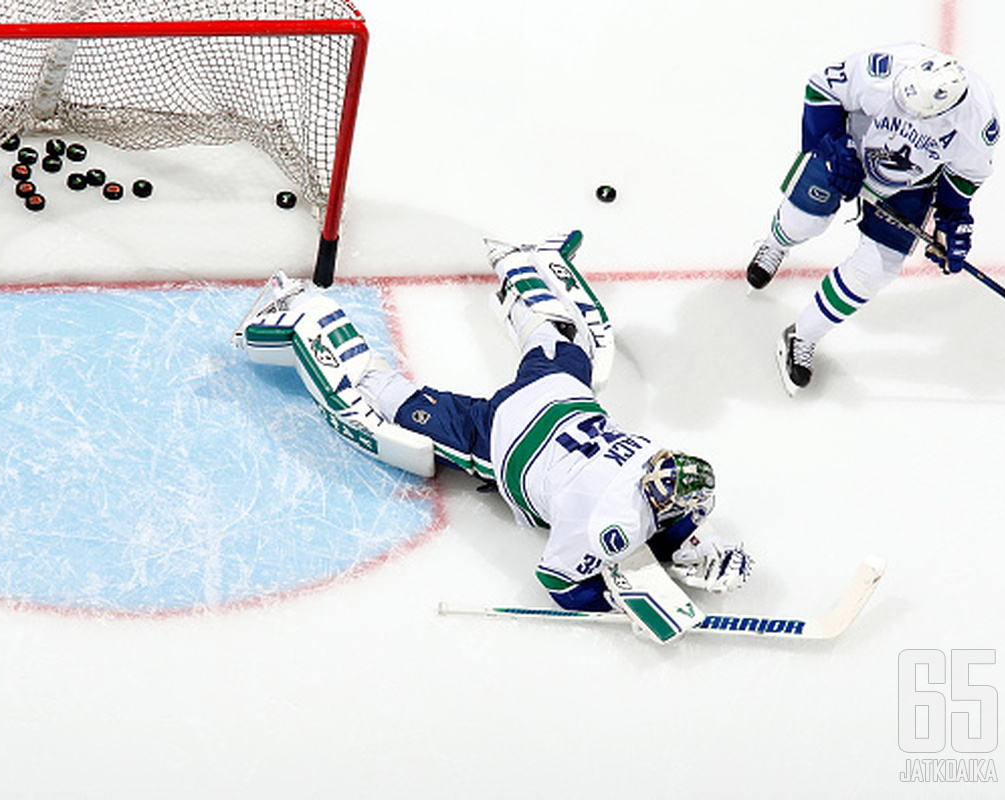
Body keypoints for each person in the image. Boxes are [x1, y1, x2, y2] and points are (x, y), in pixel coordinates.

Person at [234, 231, 752, 619]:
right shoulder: (613, 523)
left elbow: (652, 516)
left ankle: (521, 262)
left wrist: (685, 547)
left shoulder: (657, 459)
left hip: (562, 397)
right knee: (394, 404)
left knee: (559, 340)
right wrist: (615, 602)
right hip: (501, 436)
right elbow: (561, 581)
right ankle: (303, 314)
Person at [746, 42, 1000, 393]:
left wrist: (951, 220)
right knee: (803, 221)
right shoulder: (886, 68)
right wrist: (834, 142)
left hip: (908, 183)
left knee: (875, 270)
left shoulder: (978, 121)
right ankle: (776, 244)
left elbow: (965, 176)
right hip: (849, 149)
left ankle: (803, 336)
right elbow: (821, 89)